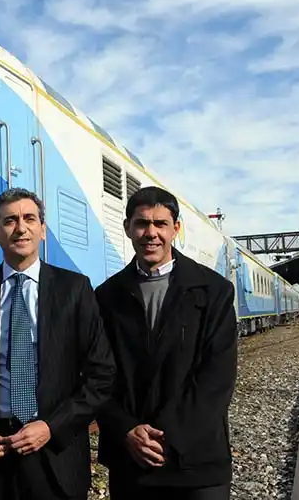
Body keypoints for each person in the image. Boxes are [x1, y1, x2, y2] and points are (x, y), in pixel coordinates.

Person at [0, 187, 116, 500]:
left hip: (56, 455)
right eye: (9, 221)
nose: (20, 228)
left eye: (29, 219)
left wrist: (51, 427)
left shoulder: (75, 289)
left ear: (42, 230)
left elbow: (102, 374)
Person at [93, 186, 238, 500]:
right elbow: (99, 375)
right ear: (127, 228)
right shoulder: (106, 296)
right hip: (131, 461)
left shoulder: (213, 290)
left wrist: (166, 438)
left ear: (176, 229)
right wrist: (126, 430)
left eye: (160, 223)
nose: (151, 233)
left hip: (197, 463)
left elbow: (217, 377)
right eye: (142, 223)